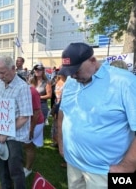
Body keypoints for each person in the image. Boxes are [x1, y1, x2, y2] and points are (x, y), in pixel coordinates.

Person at [58, 42, 136, 188]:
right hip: (74, 164)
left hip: (106, 172)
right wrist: (61, 142)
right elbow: (63, 112)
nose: (73, 75)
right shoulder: (71, 81)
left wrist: (126, 167)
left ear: (92, 60)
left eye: (77, 70)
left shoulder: (125, 83)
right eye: (70, 71)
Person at [0, 56, 33, 189]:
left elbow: (24, 116)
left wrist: (6, 132)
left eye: (3, 72)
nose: (0, 75)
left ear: (13, 69)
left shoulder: (22, 87)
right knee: (1, 168)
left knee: (15, 170)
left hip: (14, 136)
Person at [23, 86, 44, 178]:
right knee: (27, 145)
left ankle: (28, 169)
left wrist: (31, 129)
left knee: (28, 146)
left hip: (35, 123)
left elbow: (37, 112)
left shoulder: (32, 92)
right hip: (26, 121)